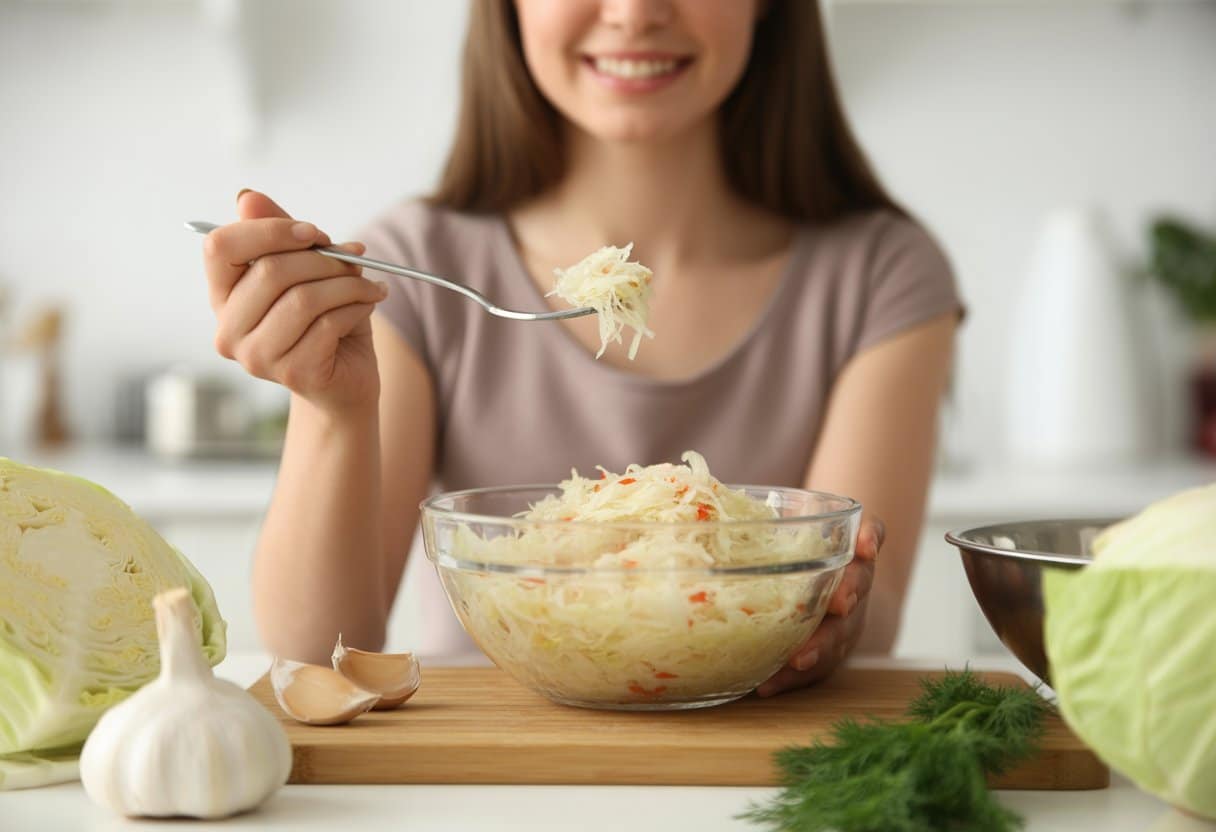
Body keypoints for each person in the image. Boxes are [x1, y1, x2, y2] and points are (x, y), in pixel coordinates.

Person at [199, 0, 961, 697]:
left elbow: (866, 608)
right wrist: (331, 407)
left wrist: (839, 617)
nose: (633, 15)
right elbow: (316, 656)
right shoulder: (418, 264)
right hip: (495, 763)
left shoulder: (882, 271)